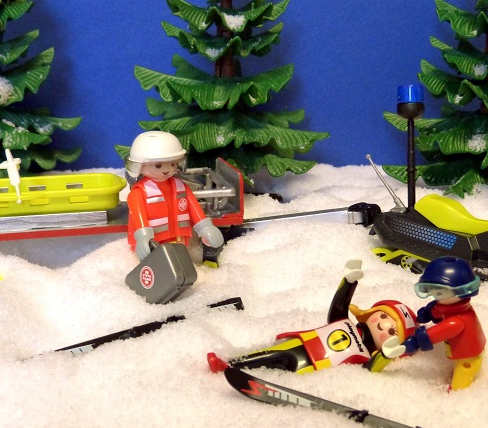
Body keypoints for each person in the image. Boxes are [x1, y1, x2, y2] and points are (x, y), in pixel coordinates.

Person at [207, 260, 417, 374]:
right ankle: (228, 364)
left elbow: (370, 369)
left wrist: (385, 356)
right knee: (268, 355)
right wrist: (349, 282)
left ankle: (239, 373)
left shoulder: (364, 357)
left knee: (282, 371)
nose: (383, 326)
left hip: (316, 367)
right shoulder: (344, 322)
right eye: (383, 316)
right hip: (304, 342)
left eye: (392, 331)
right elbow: (338, 307)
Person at [382, 256, 486, 390]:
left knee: (458, 387)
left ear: (461, 292)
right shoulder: (453, 308)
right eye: (431, 290)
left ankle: (454, 396)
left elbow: (433, 335)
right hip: (463, 350)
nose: (435, 296)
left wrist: (416, 342)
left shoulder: (456, 322)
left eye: (440, 293)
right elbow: (443, 310)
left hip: (468, 359)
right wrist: (430, 312)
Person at [125, 131, 223, 260]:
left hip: (179, 239)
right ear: (139, 166)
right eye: (158, 165)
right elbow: (139, 217)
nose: (167, 170)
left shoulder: (180, 186)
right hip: (154, 242)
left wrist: (205, 227)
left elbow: (194, 208)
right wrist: (143, 237)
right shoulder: (139, 193)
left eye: (172, 164)